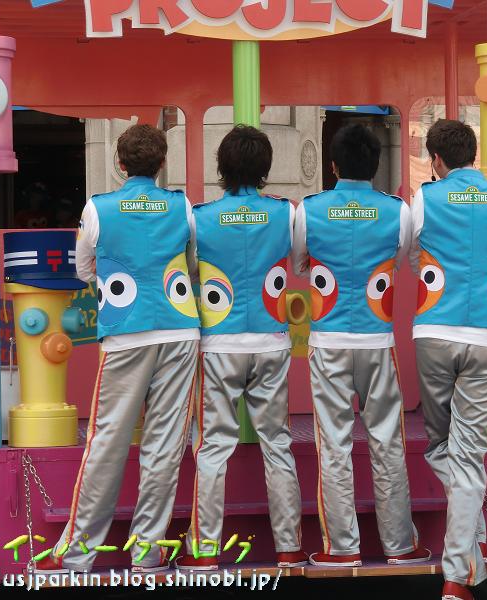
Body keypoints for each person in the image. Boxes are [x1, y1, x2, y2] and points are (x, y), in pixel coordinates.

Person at [35, 124, 201, 574]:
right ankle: (148, 553)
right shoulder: (182, 205)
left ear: (120, 164)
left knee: (107, 440)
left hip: (125, 333)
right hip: (180, 330)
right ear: (162, 163)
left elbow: (83, 270)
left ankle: (77, 553)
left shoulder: (98, 208)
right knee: (164, 445)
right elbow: (191, 265)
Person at [293, 123, 431, 567]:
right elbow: (404, 260)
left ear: (333, 166)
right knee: (387, 440)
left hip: (327, 341)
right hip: (378, 341)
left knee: (333, 444)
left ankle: (341, 547)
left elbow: (299, 265)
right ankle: (400, 545)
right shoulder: (398, 211)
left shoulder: (308, 210)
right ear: (375, 165)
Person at [178, 125, 306, 571]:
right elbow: (298, 263)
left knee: (213, 447)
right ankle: (289, 546)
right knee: (278, 443)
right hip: (272, 341)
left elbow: (190, 269)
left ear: (222, 167)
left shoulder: (201, 217)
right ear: (266, 167)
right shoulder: (286, 213)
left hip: (218, 344)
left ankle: (205, 550)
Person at [410, 119, 487, 600]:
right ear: (473, 154)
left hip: (434, 333)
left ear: (436, 159)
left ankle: (458, 572)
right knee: (467, 454)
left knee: (441, 445)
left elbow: (411, 254)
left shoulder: (425, 199)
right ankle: (462, 567)